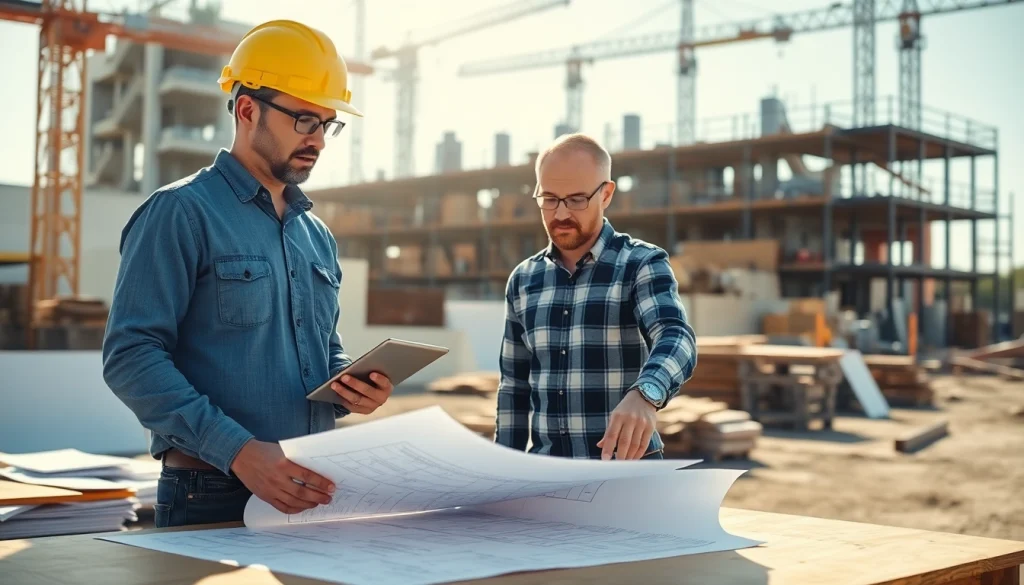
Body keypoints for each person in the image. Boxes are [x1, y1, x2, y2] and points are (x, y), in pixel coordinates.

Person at [102, 20, 394, 528]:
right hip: (210, 491)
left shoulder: (317, 236)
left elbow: (321, 349)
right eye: (304, 119)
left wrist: (351, 385)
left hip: (310, 490)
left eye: (328, 124)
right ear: (247, 110)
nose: (319, 140)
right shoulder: (180, 212)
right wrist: (237, 451)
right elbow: (131, 357)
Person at [495, 133, 698, 461]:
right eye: (549, 199)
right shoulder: (523, 280)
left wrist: (646, 394)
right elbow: (513, 389)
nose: (561, 213)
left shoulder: (640, 264)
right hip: (546, 475)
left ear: (606, 194)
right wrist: (502, 469)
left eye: (576, 199)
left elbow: (676, 336)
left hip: (627, 474)